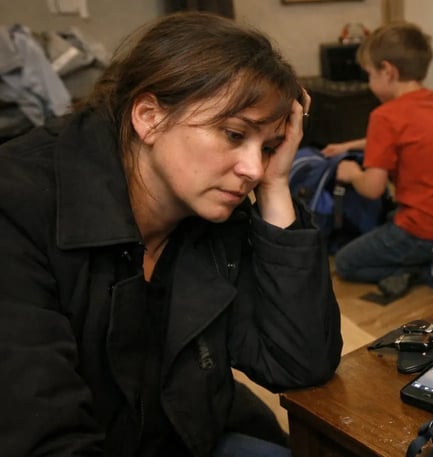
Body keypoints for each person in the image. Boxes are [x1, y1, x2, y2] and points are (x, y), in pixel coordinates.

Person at [0, 12, 343, 457]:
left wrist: (276, 188)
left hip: (191, 434)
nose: (253, 169)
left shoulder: (216, 209)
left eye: (268, 148)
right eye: (233, 134)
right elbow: (42, 437)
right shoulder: (18, 207)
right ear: (149, 116)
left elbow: (299, 362)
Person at [322, 22, 433, 299]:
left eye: (369, 74)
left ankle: (429, 270)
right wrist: (348, 145)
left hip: (418, 230)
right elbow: (406, 139)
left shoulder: (385, 116)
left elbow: (372, 188)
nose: (369, 83)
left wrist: (352, 173)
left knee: (345, 263)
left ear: (388, 71)